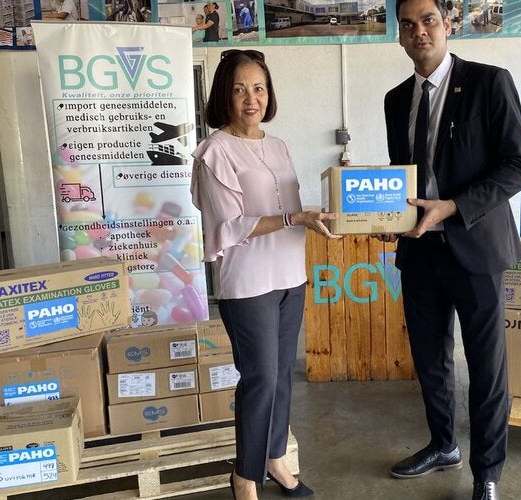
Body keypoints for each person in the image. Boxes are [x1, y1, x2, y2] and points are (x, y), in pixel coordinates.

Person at [379, 1, 521, 499]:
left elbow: (519, 166)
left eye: (428, 20)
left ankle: (487, 473)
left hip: (477, 250)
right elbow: (404, 176)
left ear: (449, 24)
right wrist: (391, 218)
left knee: (487, 369)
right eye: (408, 24)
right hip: (421, 252)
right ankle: (443, 444)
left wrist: (453, 206)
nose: (418, 31)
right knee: (430, 360)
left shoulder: (489, 82)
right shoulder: (395, 99)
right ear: (399, 35)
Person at [190, 49, 340, 500]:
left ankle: (275, 458)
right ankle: (245, 475)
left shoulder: (277, 146)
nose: (251, 99)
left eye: (259, 88)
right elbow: (229, 225)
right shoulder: (214, 152)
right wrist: (296, 219)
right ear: (224, 96)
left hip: (289, 275)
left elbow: (291, 205)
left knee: (281, 376)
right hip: (248, 282)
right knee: (259, 380)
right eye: (239, 89)